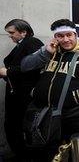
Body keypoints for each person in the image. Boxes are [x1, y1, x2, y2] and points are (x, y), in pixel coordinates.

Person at [21, 19, 79, 161]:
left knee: (76, 153)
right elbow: (25, 66)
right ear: (55, 37)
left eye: (69, 35)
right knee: (49, 151)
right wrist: (46, 52)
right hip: (46, 113)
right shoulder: (48, 52)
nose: (65, 40)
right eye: (60, 36)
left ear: (75, 35)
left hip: (74, 114)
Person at [0, 19, 44, 161]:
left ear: (23, 32)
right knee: (13, 127)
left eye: (12, 33)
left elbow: (36, 66)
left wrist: (9, 72)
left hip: (24, 97)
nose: (10, 36)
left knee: (21, 128)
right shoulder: (22, 44)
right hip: (17, 95)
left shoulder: (33, 42)